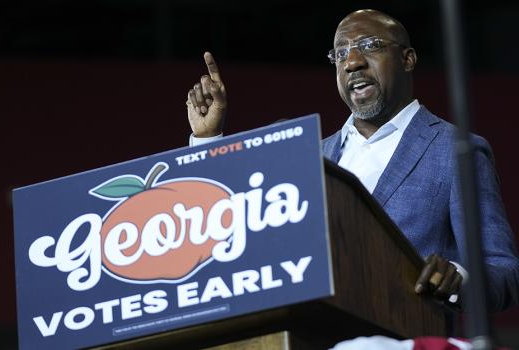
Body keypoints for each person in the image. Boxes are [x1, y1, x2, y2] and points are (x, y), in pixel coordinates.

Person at [184, 9, 519, 312]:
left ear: (408, 59)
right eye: (340, 53)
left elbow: (503, 270)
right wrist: (207, 141)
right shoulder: (307, 156)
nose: (352, 62)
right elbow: (232, 238)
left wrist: (458, 278)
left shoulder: (454, 149)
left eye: (370, 45)